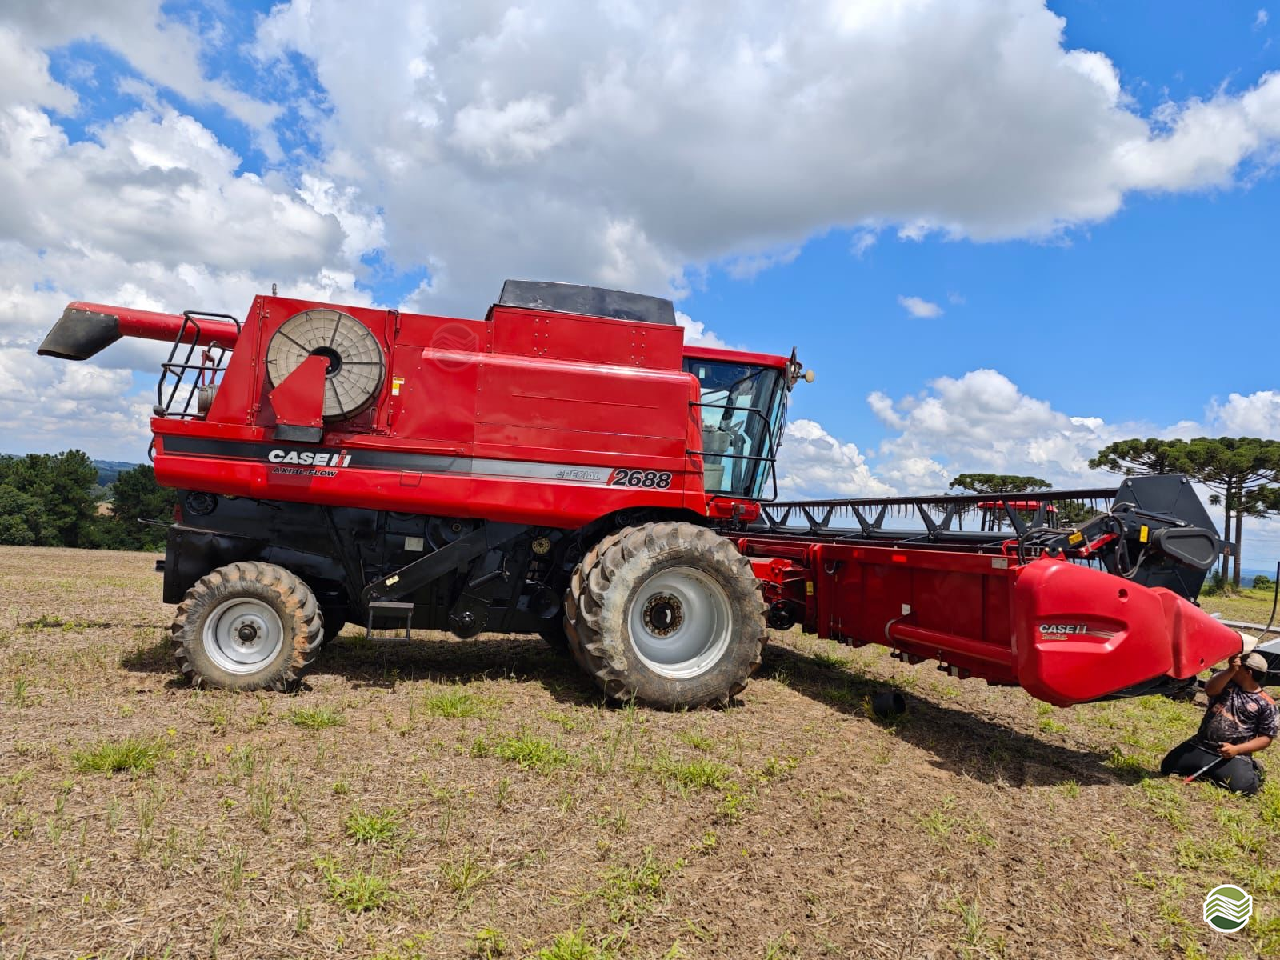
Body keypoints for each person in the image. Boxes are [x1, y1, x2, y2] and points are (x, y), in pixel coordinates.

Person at [1160, 642, 1275, 796]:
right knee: (1167, 767)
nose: (1236, 668)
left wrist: (1236, 750)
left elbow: (1265, 739)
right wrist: (1230, 670)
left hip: (1232, 754)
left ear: (1248, 672)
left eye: (1239, 667)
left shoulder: (1266, 704)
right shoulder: (1226, 682)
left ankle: (1253, 768)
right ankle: (1209, 770)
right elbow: (1210, 689)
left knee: (1244, 789)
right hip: (1201, 745)